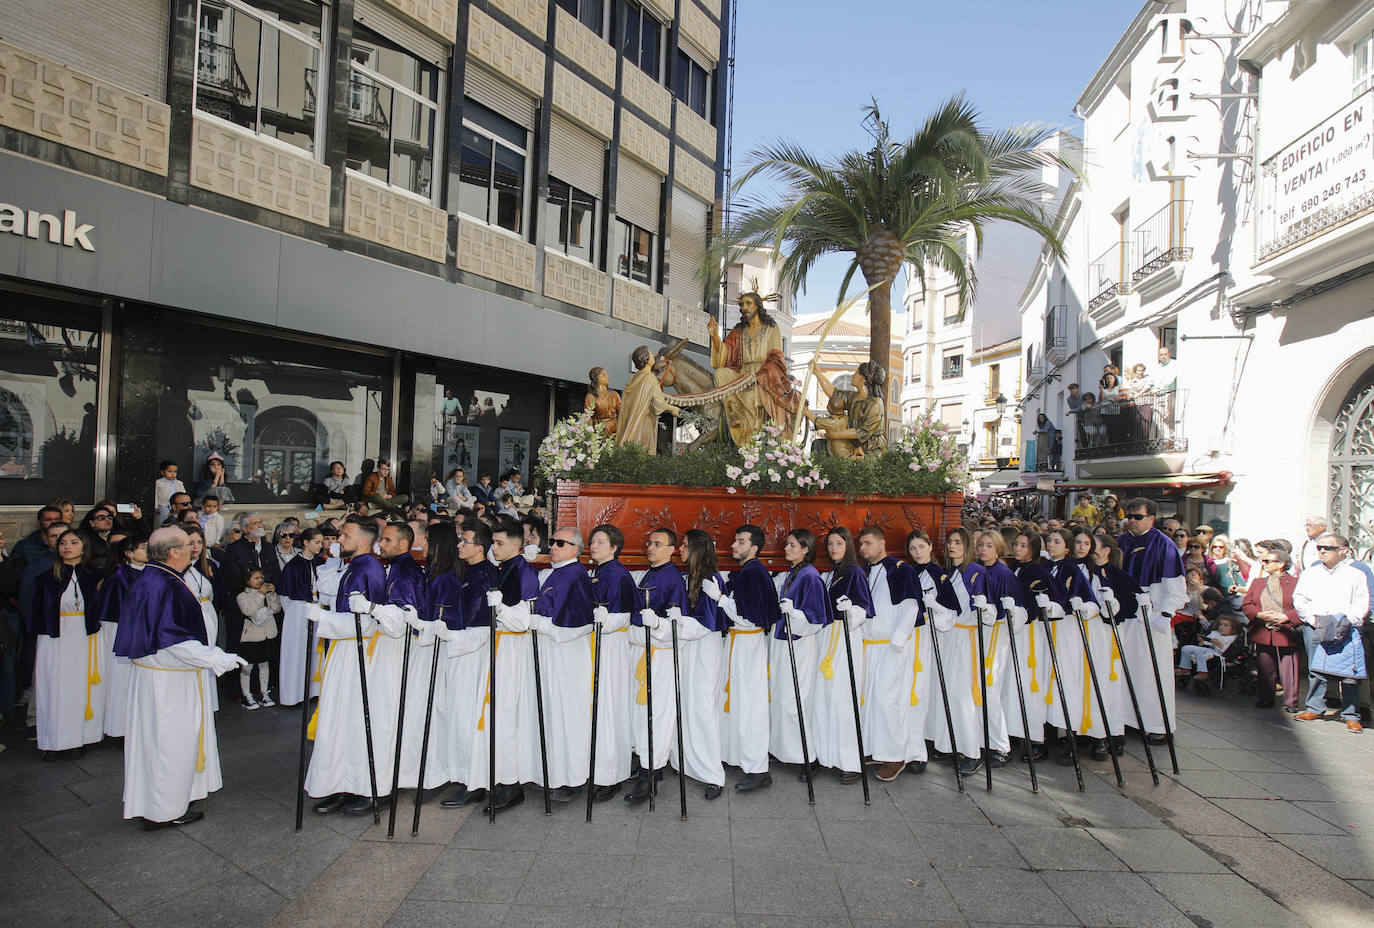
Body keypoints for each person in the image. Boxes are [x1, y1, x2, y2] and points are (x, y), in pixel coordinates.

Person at [117, 528, 246, 829]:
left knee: (162, 742)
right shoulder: (163, 583)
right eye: (188, 545)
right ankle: (164, 811)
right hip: (168, 683)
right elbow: (173, 640)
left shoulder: (154, 577)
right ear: (174, 551)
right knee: (168, 743)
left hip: (160, 677)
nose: (193, 549)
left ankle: (163, 801)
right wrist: (218, 658)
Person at [305, 517, 399, 814]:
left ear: (362, 541)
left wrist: (324, 619)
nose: (339, 539)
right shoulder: (354, 566)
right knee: (339, 720)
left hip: (359, 651)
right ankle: (341, 783)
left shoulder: (369, 568)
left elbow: (368, 623)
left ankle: (368, 786)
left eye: (345, 535)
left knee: (356, 720)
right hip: (343, 651)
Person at [701, 524, 780, 791]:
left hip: (748, 642)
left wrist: (721, 598)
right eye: (735, 540)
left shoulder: (755, 572)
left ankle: (758, 768)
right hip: (739, 642)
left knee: (750, 705)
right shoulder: (747, 571)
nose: (734, 545)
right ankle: (738, 756)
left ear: (754, 548)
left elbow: (749, 615)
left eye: (741, 541)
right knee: (736, 701)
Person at [526, 525, 596, 802]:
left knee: (568, 717)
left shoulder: (574, 576)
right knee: (553, 714)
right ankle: (552, 772)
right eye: (552, 541)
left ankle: (572, 778)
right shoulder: (556, 573)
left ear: (576, 549)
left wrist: (540, 624)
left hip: (567, 657)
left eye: (559, 543)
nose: (552, 546)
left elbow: (576, 627)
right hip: (552, 653)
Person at [858, 525, 927, 780]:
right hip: (869, 646)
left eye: (867, 543)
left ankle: (895, 756)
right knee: (870, 698)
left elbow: (910, 606)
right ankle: (873, 748)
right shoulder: (864, 571)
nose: (863, 548)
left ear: (882, 543)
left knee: (889, 702)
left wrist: (898, 640)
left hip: (890, 646)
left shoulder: (899, 569)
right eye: (861, 544)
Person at [438, 521, 499, 810]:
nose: (459, 545)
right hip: (461, 648)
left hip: (473, 653)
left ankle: (473, 781)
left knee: (468, 717)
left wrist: (449, 635)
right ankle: (461, 773)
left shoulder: (484, 574)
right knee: (458, 715)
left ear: (480, 547)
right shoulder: (469, 570)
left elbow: (482, 624)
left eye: (466, 541)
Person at [626, 527, 688, 803]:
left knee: (657, 713)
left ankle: (650, 775)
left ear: (672, 549)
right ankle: (645, 761)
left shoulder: (674, 579)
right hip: (642, 650)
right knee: (641, 711)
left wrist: (657, 628)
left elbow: (676, 627)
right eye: (649, 542)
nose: (650, 547)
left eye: (658, 544)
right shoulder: (649, 574)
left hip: (660, 655)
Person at [1117, 497, 1186, 743]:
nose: (1131, 521)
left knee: (1151, 671)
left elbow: (1176, 589)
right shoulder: (1121, 542)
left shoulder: (1164, 546)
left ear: (1151, 518)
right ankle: (1127, 719)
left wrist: (1165, 614)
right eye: (1129, 516)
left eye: (1137, 517)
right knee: (1124, 670)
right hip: (1124, 616)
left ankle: (1158, 724)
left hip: (1151, 616)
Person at [30, 529, 105, 754]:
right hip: (56, 639)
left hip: (86, 638)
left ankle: (81, 739)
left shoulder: (96, 576)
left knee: (82, 687)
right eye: (62, 543)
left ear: (84, 547)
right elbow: (36, 612)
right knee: (56, 688)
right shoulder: (46, 578)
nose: (67, 547)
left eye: (73, 542)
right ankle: (55, 742)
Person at [1292, 534, 1370, 732]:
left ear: (1344, 550)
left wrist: (1347, 621)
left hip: (1345, 625)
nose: (1323, 551)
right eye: (1319, 548)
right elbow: (1299, 598)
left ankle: (1351, 714)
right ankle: (1315, 707)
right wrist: (1312, 620)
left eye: (1328, 547)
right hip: (1316, 624)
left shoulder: (1355, 574)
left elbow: (1361, 602)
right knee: (1315, 668)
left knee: (1349, 672)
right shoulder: (1311, 573)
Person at [814, 527, 873, 779]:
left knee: (843, 699)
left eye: (839, 543)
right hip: (830, 636)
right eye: (830, 543)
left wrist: (851, 611)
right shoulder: (832, 573)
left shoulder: (854, 572)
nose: (833, 548)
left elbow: (865, 608)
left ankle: (850, 761)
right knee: (826, 698)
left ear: (848, 545)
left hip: (845, 637)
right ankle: (827, 755)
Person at [674, 529, 728, 800]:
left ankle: (712, 773)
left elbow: (706, 623)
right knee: (685, 703)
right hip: (688, 645)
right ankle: (683, 760)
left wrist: (676, 623)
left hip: (704, 648)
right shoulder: (687, 577)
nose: (679, 549)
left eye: (684, 545)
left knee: (704, 708)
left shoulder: (711, 579)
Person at [583, 524, 636, 802]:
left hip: (612, 645)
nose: (593, 546)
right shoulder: (597, 572)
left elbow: (625, 615)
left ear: (614, 547)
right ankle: (597, 769)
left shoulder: (617, 574)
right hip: (596, 642)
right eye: (592, 541)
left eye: (600, 542)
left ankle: (612, 775)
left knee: (609, 709)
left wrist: (603, 618)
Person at [767, 529, 827, 774]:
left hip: (799, 643)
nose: (787, 549)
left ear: (806, 549)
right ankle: (783, 750)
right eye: (787, 544)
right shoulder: (794, 573)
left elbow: (815, 620)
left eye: (792, 545)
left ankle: (807, 757)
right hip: (783, 639)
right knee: (781, 696)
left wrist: (794, 614)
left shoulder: (810, 576)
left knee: (795, 699)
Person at [708, 290, 800, 446]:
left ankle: (751, 442)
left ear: (757, 306)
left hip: (764, 376)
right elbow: (724, 354)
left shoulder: (771, 328)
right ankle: (734, 411)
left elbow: (777, 356)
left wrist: (761, 374)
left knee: (752, 398)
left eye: (748, 303)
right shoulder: (739, 331)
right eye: (742, 304)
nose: (744, 307)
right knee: (720, 373)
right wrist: (715, 336)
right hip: (743, 374)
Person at [96, 533, 148, 738]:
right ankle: (120, 729)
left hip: (145, 632)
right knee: (122, 682)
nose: (148, 551)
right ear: (128, 554)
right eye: (143, 547)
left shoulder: (150, 573)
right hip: (123, 634)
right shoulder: (118, 578)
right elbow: (112, 614)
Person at [1241, 543, 1301, 711]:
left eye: (1268, 561)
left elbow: (1304, 605)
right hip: (1263, 630)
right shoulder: (1258, 582)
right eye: (1263, 561)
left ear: (1281, 564)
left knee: (1289, 669)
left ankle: (1291, 702)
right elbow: (1247, 603)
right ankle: (1265, 698)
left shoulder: (1296, 583)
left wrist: (1287, 617)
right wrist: (1259, 614)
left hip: (1286, 631)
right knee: (1265, 667)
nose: (1264, 564)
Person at [277, 527, 325, 707]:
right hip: (298, 611)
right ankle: (293, 694)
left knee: (315, 651)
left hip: (317, 609)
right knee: (296, 651)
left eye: (321, 542)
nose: (320, 546)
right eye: (317, 542)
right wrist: (294, 614)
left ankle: (314, 690)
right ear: (305, 542)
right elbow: (285, 597)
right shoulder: (293, 565)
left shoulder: (321, 562)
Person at [810, 363, 887, 458]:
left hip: (870, 449)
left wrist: (836, 435)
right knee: (818, 445)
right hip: (853, 444)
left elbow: (863, 431)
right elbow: (834, 393)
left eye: (857, 372)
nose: (853, 375)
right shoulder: (854, 397)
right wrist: (818, 373)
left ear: (863, 379)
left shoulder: (875, 403)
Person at [617, 346, 682, 451]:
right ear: (646, 359)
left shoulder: (633, 378)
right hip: (643, 423)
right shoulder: (650, 378)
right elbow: (659, 403)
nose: (654, 357)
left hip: (629, 424)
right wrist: (673, 408)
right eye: (651, 354)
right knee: (643, 453)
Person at [234, 569, 280, 709]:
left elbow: (276, 609)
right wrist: (260, 595)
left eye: (261, 577)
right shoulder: (242, 596)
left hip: (268, 634)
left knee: (264, 665)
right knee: (247, 667)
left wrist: (272, 595)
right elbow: (249, 611)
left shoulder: (266, 594)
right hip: (252, 638)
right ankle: (246, 695)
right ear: (248, 581)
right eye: (256, 578)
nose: (260, 580)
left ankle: (264, 693)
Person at [1175, 614, 1241, 688]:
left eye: (1225, 626)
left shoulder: (1232, 638)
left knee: (1198, 651)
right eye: (1220, 625)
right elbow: (1208, 641)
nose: (1222, 627)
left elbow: (1228, 651)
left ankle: (1203, 672)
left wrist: (1219, 645)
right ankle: (1185, 668)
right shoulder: (1215, 633)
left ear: (1233, 628)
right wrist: (1203, 641)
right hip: (1210, 649)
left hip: (1220, 655)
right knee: (1186, 648)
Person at [585, 366, 621, 436]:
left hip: (614, 429)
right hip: (599, 431)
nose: (607, 377)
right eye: (604, 374)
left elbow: (622, 414)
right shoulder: (590, 397)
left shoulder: (614, 394)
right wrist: (590, 434)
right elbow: (588, 417)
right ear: (596, 378)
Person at [154, 460, 185, 525]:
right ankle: (163, 527)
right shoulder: (159, 483)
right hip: (164, 504)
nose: (173, 474)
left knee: (179, 515)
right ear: (162, 472)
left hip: (176, 504)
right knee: (164, 513)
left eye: (175, 472)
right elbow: (155, 495)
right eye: (170, 471)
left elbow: (183, 494)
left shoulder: (179, 483)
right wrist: (155, 506)